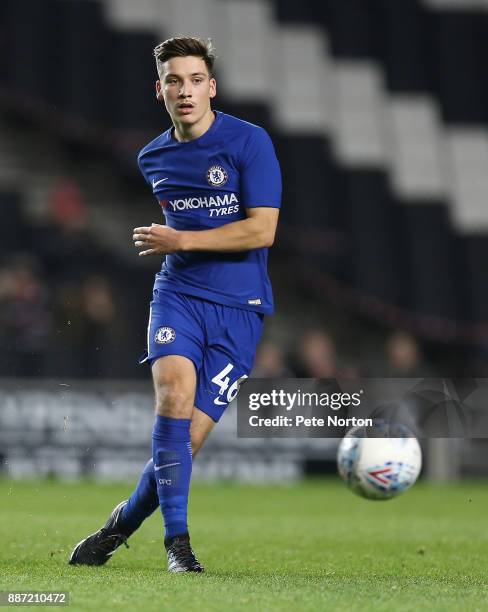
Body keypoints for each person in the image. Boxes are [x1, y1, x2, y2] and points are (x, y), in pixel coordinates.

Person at [69, 36, 281, 572]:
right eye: (173, 81)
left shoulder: (250, 142)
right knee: (173, 395)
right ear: (159, 91)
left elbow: (263, 230)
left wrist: (181, 239)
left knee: (185, 442)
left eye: (193, 80)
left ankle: (120, 524)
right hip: (178, 296)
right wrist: (178, 249)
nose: (184, 91)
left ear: (211, 87)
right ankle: (178, 546)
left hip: (241, 309)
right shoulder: (153, 157)